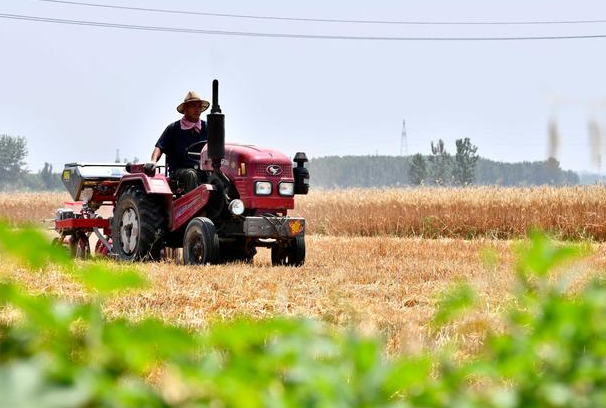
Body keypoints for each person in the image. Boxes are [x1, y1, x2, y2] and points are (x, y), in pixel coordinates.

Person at [146, 91, 210, 192]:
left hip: (203, 169)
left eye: (199, 106)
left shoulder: (207, 127)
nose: (197, 109)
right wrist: (153, 161)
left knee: (220, 178)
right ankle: (193, 206)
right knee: (191, 174)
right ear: (185, 109)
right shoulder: (174, 128)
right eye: (193, 106)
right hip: (179, 171)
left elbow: (216, 148)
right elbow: (159, 147)